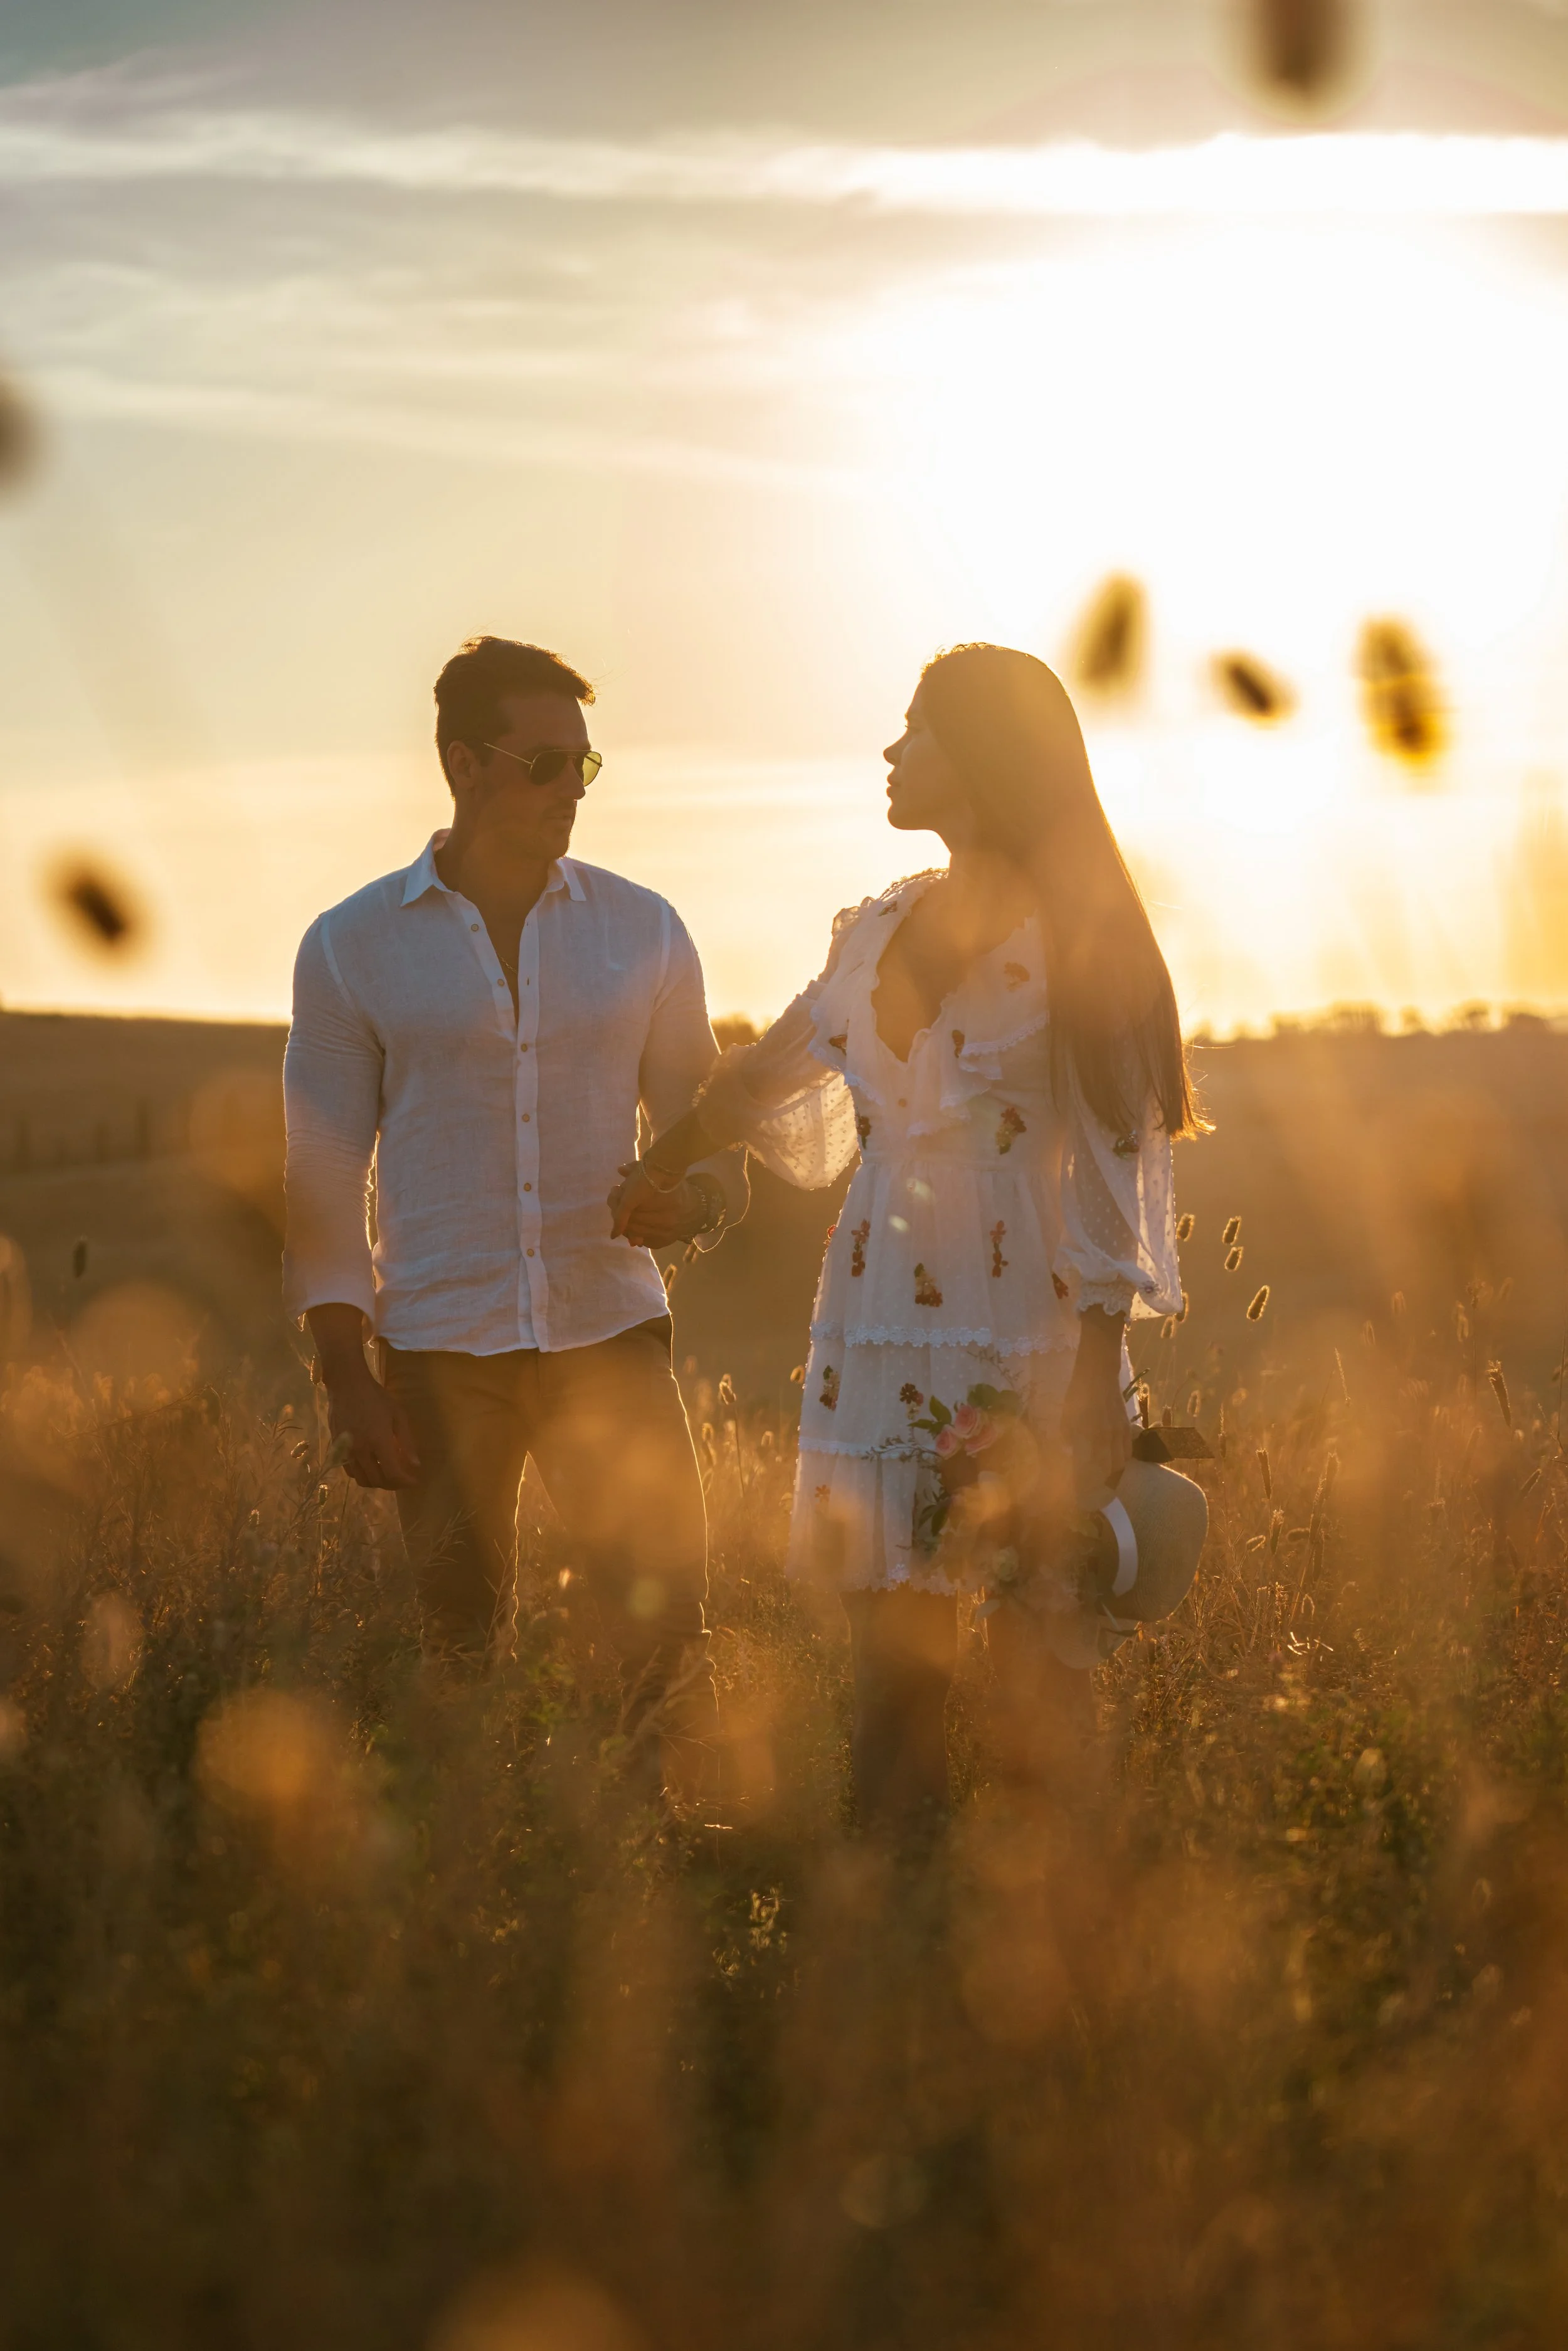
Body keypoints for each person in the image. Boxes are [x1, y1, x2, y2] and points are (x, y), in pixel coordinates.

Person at [610, 643, 1194, 1831]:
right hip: (882, 1316)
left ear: (982, 757)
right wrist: (652, 1172)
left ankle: (1036, 1931)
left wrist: (1093, 1364)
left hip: (1031, 1320)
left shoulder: (1080, 934)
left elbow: (1114, 1156)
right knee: (893, 1656)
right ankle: (890, 1908)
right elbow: (766, 1078)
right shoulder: (876, 927)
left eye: (917, 725)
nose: (890, 748)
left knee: (1038, 1651)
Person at [282, 635, 746, 1797]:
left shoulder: (644, 930)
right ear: (462, 763)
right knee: (460, 1648)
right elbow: (325, 1169)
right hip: (442, 1347)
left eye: (585, 768)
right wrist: (346, 1377)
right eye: (544, 763)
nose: (569, 794)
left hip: (610, 1331)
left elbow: (712, 1145)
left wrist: (682, 1201)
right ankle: (478, 1886)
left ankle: (645, 1877)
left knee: (659, 1632)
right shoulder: (351, 945)